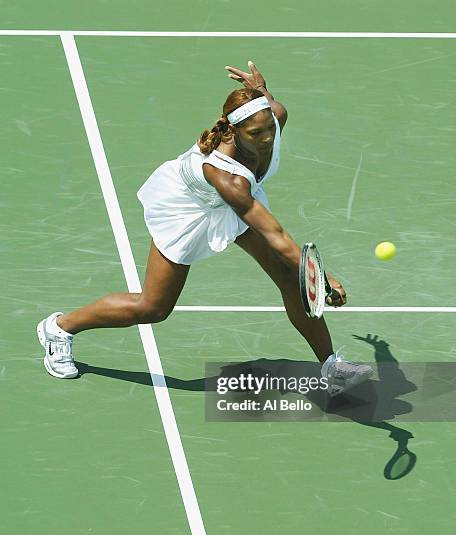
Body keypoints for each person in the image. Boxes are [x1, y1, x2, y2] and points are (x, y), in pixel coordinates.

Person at [37, 60, 372, 394]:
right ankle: (60, 328)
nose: (268, 137)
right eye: (257, 133)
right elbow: (274, 234)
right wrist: (320, 276)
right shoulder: (225, 176)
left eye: (269, 127)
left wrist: (261, 91)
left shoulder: (273, 118)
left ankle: (331, 366)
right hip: (188, 210)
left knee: (287, 276)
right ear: (232, 131)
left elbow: (271, 110)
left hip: (242, 201)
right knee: (153, 307)